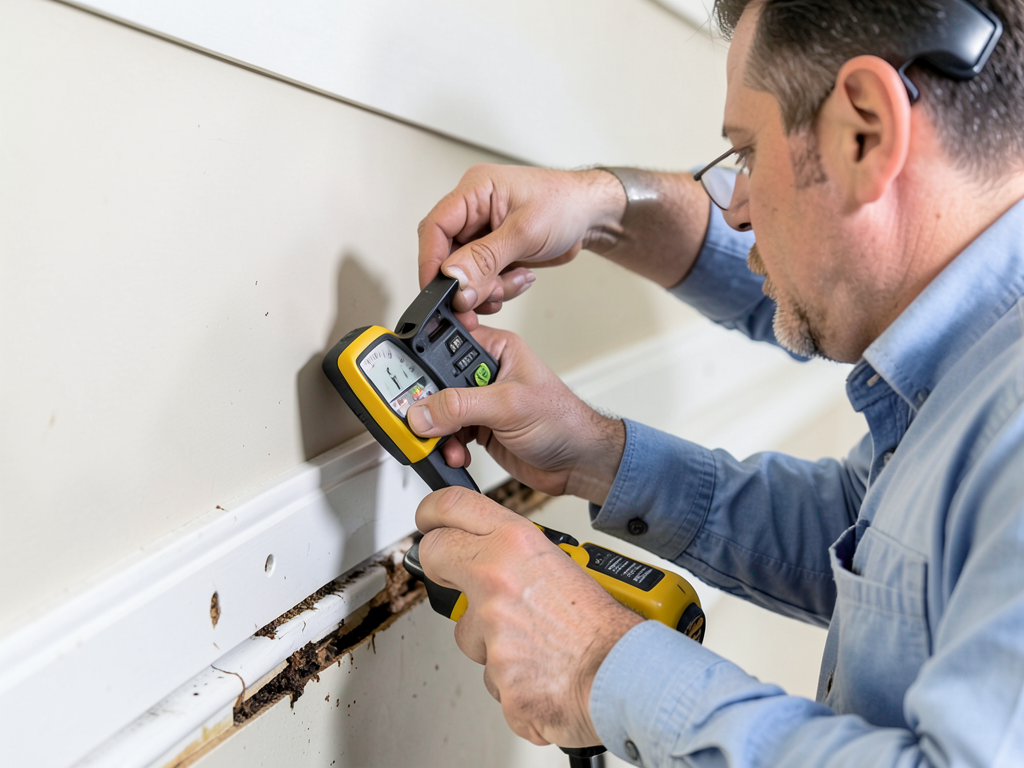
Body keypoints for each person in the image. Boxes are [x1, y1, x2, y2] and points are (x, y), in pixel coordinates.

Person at [406, 0, 1024, 764]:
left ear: (866, 131)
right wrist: (598, 455)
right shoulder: (972, 366)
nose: (734, 208)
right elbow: (879, 539)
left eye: (748, 154)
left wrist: (597, 664)